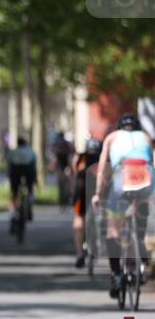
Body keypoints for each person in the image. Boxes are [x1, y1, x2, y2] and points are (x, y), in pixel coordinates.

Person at [91, 113, 154, 297]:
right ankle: (139, 251)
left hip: (122, 176)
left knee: (113, 229)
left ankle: (116, 274)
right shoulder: (145, 137)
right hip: (146, 176)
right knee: (141, 208)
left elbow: (103, 169)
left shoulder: (112, 138)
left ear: (120, 127)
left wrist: (98, 193)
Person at [72, 136, 104, 268]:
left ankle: (80, 253)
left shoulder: (82, 157)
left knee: (79, 218)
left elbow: (75, 170)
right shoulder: (103, 158)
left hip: (82, 191)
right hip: (100, 192)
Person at [7, 137, 38, 231]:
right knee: (30, 188)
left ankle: (12, 213)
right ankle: (29, 207)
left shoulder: (12, 152)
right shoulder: (31, 152)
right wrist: (35, 180)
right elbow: (34, 166)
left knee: (14, 193)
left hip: (15, 172)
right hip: (28, 171)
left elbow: (9, 165)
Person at [50, 131, 73, 209]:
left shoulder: (55, 144)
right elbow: (69, 157)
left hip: (58, 167)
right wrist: (70, 167)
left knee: (60, 185)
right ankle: (66, 201)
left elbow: (53, 157)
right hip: (66, 166)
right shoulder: (67, 144)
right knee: (66, 184)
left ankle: (61, 202)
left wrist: (52, 167)